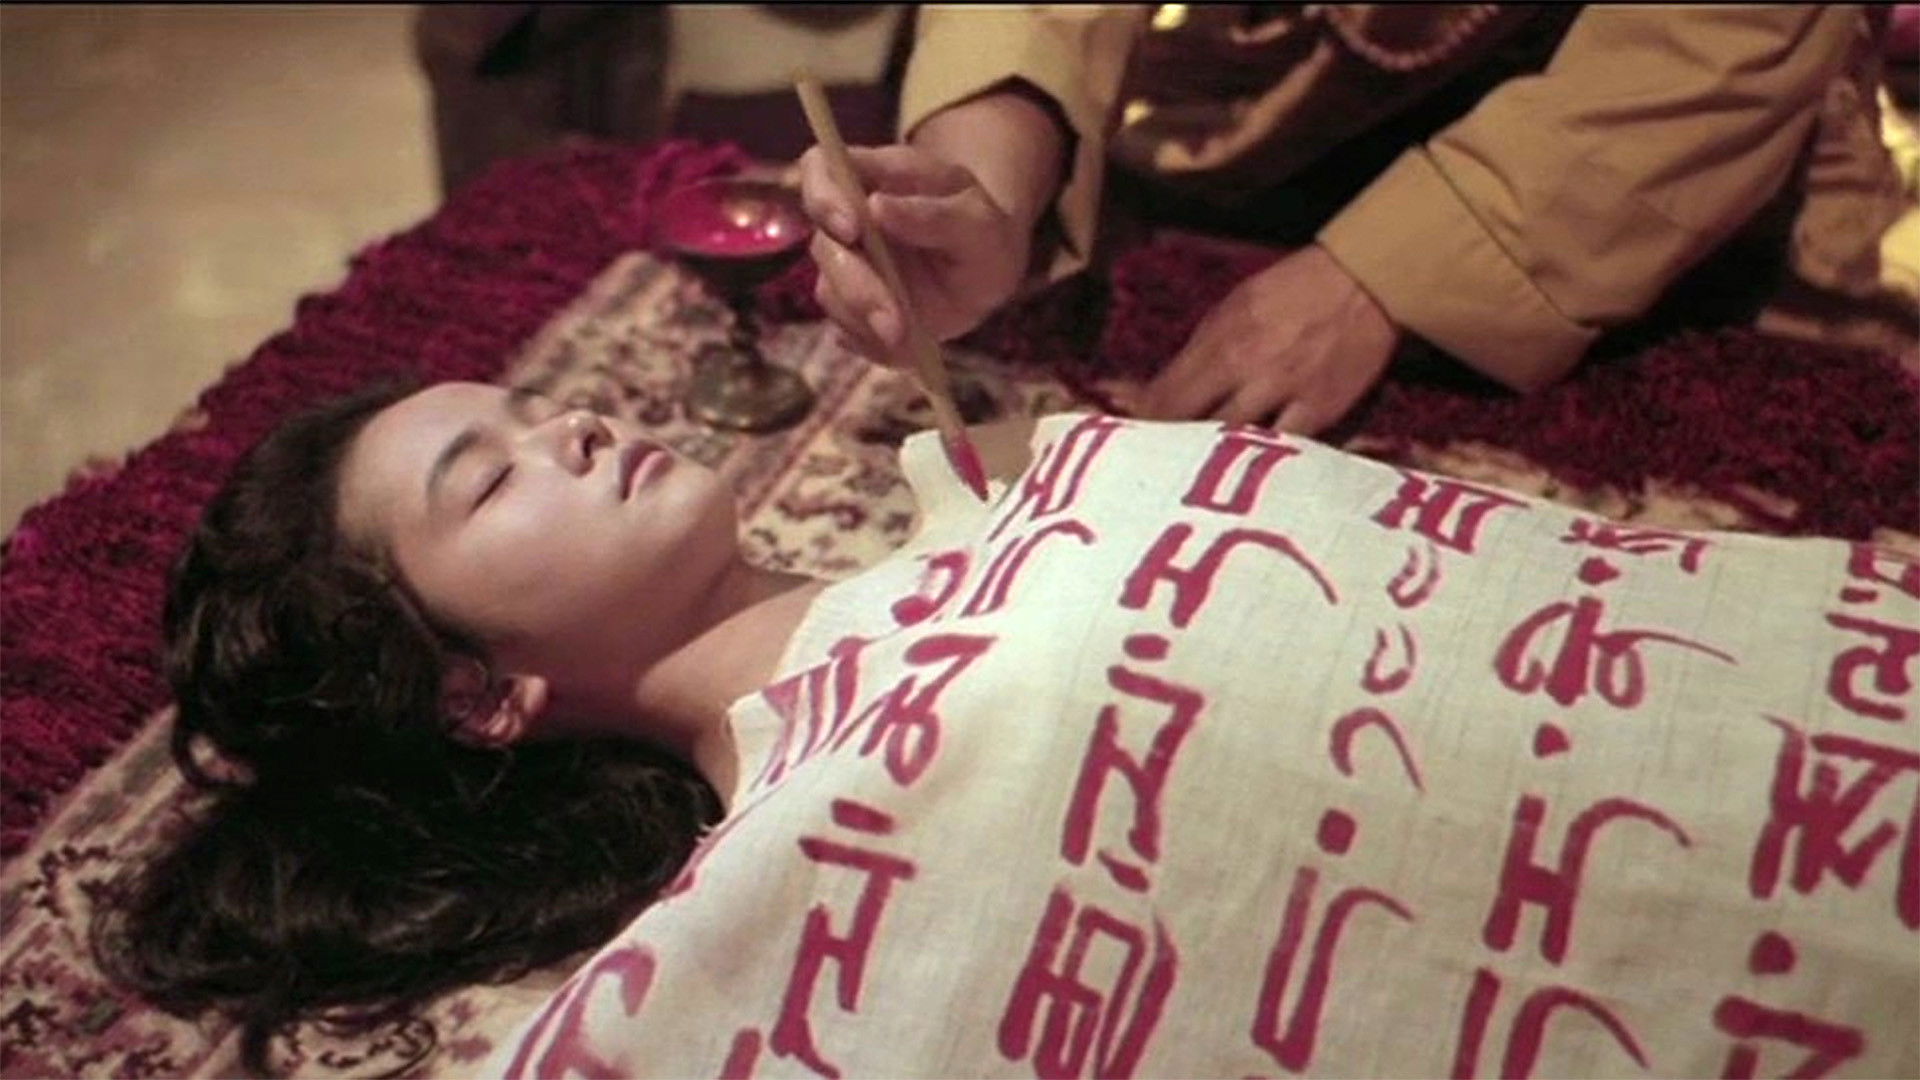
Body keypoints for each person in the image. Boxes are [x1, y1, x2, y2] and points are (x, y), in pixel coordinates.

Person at [92, 380, 828, 1074]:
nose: (580, 427)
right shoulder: (819, 826)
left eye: (547, 409)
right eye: (492, 480)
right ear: (475, 697)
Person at [799, 5, 1917, 437]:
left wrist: (1388, 276)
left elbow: (1716, 38)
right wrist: (990, 170)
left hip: (1619, 182)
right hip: (1211, 125)